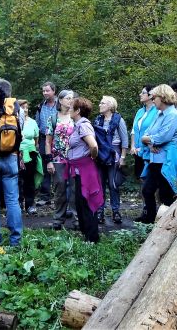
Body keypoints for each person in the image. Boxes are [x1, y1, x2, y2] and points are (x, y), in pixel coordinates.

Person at [136, 85, 177, 224]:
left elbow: (162, 137)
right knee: (147, 191)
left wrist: (151, 140)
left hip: (167, 161)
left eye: (154, 97)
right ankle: (149, 222)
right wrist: (150, 143)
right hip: (155, 160)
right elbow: (146, 134)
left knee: (166, 195)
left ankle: (167, 225)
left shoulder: (172, 115)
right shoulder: (159, 114)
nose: (152, 100)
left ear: (162, 98)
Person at [0, 78, 24, 247]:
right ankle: (16, 240)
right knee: (12, 200)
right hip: (12, 158)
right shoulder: (18, 109)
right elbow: (20, 132)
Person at [66, 97, 102, 242]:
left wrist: (90, 159)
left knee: (87, 202)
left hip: (85, 169)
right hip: (78, 170)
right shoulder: (77, 125)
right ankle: (86, 234)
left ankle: (92, 238)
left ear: (78, 111)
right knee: (80, 203)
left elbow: (93, 146)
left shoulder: (84, 125)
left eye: (71, 108)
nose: (68, 110)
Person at [93, 96, 128, 224]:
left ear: (110, 105)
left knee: (113, 185)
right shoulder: (97, 120)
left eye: (102, 103)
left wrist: (123, 157)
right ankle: (100, 211)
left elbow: (124, 140)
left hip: (114, 153)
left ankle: (116, 211)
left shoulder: (119, 120)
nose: (100, 105)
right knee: (100, 184)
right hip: (100, 154)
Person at [45, 89, 77, 230]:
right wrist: (49, 161)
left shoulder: (76, 117)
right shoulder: (52, 118)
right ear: (61, 100)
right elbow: (47, 142)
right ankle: (58, 219)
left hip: (75, 159)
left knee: (76, 190)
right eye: (68, 98)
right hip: (58, 160)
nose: (71, 100)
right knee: (60, 190)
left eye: (72, 98)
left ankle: (77, 219)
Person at [18, 99, 43, 215]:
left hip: (31, 153)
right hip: (17, 153)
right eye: (22, 107)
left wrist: (34, 149)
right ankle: (17, 204)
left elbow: (36, 139)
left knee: (29, 179)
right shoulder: (14, 122)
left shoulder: (33, 122)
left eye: (27, 107)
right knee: (17, 180)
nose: (25, 110)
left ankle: (29, 205)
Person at [35, 81, 58, 204]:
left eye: (47, 90)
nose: (45, 93)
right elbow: (37, 124)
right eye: (43, 91)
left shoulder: (61, 105)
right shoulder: (40, 106)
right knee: (45, 166)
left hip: (59, 138)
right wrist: (37, 142)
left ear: (54, 91)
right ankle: (45, 196)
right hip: (44, 138)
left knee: (60, 165)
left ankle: (61, 196)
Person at [130, 84, 158, 182]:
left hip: (150, 151)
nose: (140, 94)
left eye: (143, 93)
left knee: (151, 181)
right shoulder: (139, 111)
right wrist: (132, 146)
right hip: (137, 152)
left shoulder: (157, 111)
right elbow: (134, 130)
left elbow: (155, 131)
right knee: (141, 178)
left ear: (150, 96)